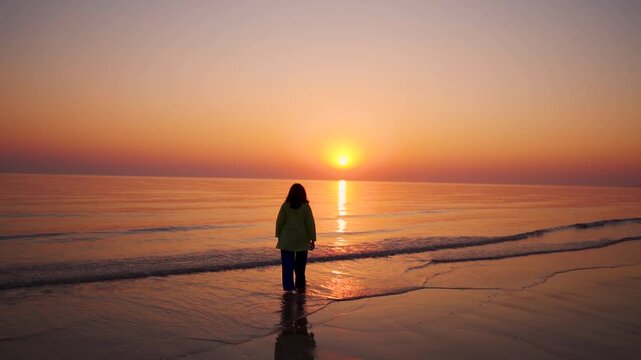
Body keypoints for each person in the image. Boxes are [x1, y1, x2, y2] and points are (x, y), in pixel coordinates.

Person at [275, 183, 316, 293]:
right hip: (302, 241)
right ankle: (300, 287)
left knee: (287, 267)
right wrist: (313, 238)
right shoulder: (306, 207)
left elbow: (280, 222)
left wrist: (278, 235)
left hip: (287, 240)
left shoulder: (285, 206)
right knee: (300, 268)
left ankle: (288, 289)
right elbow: (310, 224)